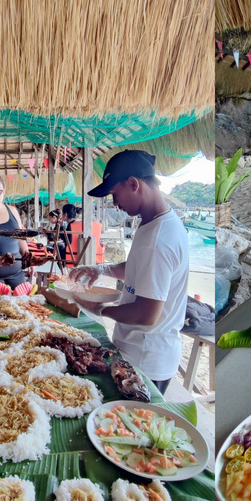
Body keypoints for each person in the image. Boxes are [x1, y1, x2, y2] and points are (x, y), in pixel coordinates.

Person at [69, 150, 189, 394]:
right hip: (142, 349)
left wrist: (98, 309)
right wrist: (101, 269)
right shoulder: (156, 223)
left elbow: (146, 314)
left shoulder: (159, 238)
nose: (115, 203)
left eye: (114, 194)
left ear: (133, 184)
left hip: (146, 359)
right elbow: (140, 269)